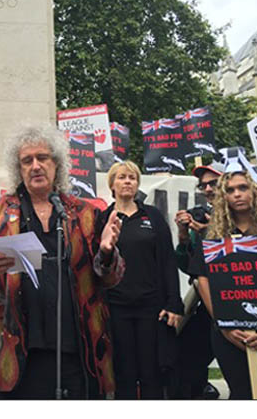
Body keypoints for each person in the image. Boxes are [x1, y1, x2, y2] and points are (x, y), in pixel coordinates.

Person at [0, 125, 124, 400]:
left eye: (43, 158)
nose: (36, 166)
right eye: (27, 160)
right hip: (21, 351)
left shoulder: (85, 213)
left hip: (79, 348)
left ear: (57, 164)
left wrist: (108, 252)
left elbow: (110, 278)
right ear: (19, 168)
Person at [98, 161, 183, 399]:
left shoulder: (152, 216)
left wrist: (173, 302)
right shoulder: (102, 218)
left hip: (151, 308)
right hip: (116, 308)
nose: (127, 181)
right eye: (122, 177)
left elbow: (167, 260)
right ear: (112, 184)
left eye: (132, 178)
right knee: (124, 373)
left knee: (152, 373)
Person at [194, 170, 257, 399]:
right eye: (230, 190)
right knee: (241, 393)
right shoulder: (212, 235)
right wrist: (225, 324)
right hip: (228, 335)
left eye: (243, 187)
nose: (237, 194)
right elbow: (202, 280)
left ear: (254, 190)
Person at [173, 162, 223, 399]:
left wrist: (208, 233)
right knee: (188, 355)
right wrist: (185, 236)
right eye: (204, 185)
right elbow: (187, 266)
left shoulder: (247, 213)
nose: (208, 189)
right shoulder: (203, 216)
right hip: (210, 303)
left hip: (245, 301)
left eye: (213, 183)